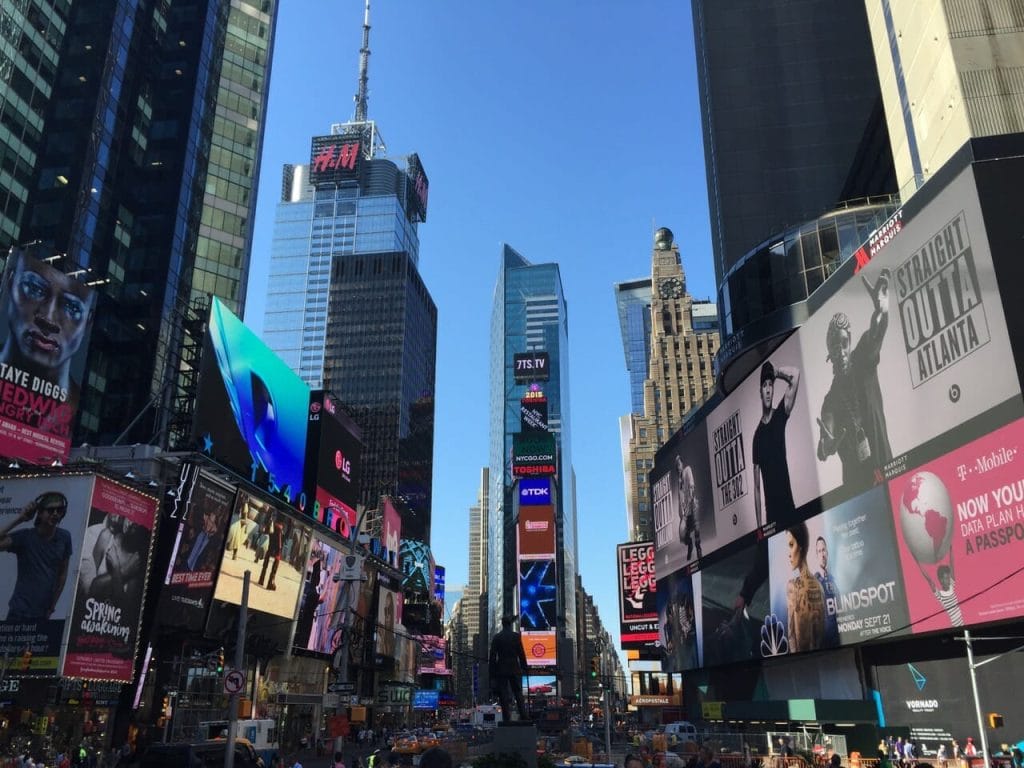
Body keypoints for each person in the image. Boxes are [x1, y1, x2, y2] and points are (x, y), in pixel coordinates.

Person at [816, 268, 893, 488]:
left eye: (843, 343)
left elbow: (875, 333)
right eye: (834, 346)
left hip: (886, 469)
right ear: (828, 353)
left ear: (849, 342)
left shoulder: (863, 361)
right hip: (858, 489)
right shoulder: (831, 399)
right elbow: (826, 436)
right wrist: (826, 444)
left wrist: (880, 311)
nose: (840, 350)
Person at [0, 248, 97, 409]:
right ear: (10, 282)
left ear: (88, 321)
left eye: (72, 307)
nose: (48, 319)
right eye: (34, 288)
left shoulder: (77, 408)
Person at [0, 492, 73, 621]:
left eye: (59, 510)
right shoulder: (25, 537)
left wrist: (52, 606)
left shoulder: (64, 538)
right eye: (50, 510)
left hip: (42, 614)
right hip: (19, 612)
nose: (55, 514)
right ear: (40, 513)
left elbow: (62, 574)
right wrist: (20, 519)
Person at [752, 360, 801, 527]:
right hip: (771, 519)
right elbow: (757, 488)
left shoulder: (780, 414)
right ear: (760, 391)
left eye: (770, 385)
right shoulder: (757, 437)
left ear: (773, 390)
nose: (767, 389)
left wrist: (777, 372)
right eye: (764, 386)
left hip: (789, 508)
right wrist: (759, 529)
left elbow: (795, 374)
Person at [785, 521, 825, 653]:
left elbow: (791, 636)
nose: (789, 554)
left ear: (801, 546)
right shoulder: (819, 586)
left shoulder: (792, 587)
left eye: (791, 545)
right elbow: (820, 637)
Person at [488, 613, 529, 721]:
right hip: (515, 667)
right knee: (518, 692)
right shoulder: (516, 636)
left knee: (503, 693)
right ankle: (524, 715)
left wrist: (492, 673)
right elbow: (521, 653)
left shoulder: (497, 637)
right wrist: (525, 667)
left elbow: (492, 657)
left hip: (502, 668)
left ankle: (506, 717)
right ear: (510, 624)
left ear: (502, 624)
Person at [918, 550, 964, 627]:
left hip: (962, 624)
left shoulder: (951, 586)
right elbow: (929, 580)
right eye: (946, 578)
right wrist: (917, 561)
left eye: (949, 577)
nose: (949, 579)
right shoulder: (940, 595)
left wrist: (950, 547)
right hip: (955, 627)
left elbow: (951, 563)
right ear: (941, 580)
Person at [814, 536, 840, 647]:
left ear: (827, 552)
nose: (822, 554)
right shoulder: (813, 582)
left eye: (823, 550)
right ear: (816, 555)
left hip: (840, 638)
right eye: (819, 551)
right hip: (824, 643)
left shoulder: (834, 579)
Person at [675, 457, 702, 560]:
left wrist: (690, 499)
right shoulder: (679, 481)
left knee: (697, 528)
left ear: (682, 464)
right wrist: (682, 514)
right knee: (682, 535)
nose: (678, 468)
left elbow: (691, 485)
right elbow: (679, 497)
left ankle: (698, 548)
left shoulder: (687, 470)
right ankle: (690, 544)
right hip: (685, 512)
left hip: (692, 505)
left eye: (679, 465)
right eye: (676, 466)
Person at [258, 514, 282, 590]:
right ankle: (270, 582)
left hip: (273, 525)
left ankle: (261, 579)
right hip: (279, 526)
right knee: (277, 556)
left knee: (269, 551)